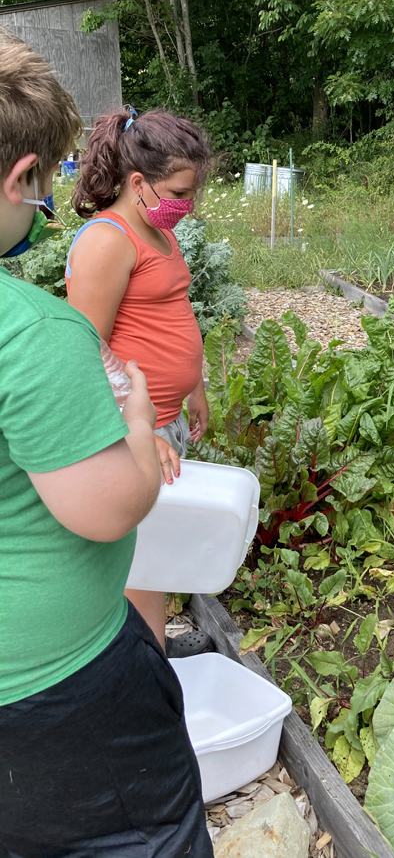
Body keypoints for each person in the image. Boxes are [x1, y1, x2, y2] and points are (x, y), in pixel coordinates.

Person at [0, 33, 212, 855]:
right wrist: (134, 424)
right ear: (24, 176)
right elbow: (107, 503)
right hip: (48, 683)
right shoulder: (34, 325)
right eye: (45, 177)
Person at [66, 107, 213, 656]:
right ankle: (145, 671)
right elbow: (84, 350)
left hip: (166, 421)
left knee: (155, 552)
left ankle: (153, 656)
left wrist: (194, 384)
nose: (186, 205)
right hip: (135, 428)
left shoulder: (159, 230)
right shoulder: (108, 241)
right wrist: (137, 428)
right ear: (137, 183)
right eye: (178, 191)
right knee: (139, 561)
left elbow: (175, 308)